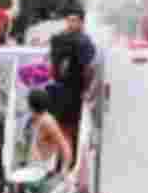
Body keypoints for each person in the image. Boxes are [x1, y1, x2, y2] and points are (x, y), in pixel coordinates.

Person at [48, 9, 96, 146]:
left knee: (72, 128)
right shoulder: (59, 39)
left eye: (74, 20)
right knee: (58, 127)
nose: (70, 23)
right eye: (68, 20)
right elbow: (54, 63)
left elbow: (89, 68)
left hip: (75, 90)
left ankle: (71, 154)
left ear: (81, 23)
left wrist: (86, 90)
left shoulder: (84, 42)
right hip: (59, 90)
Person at [24, 87, 73, 175]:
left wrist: (64, 169)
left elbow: (64, 145)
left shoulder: (47, 121)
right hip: (33, 168)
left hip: (44, 170)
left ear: (32, 105)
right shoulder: (34, 120)